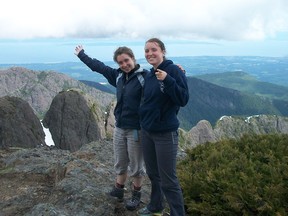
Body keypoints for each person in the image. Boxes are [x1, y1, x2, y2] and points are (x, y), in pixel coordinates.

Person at [74, 45, 147, 211]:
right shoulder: (118, 76)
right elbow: (98, 67)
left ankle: (136, 194)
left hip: (136, 129)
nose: (124, 64)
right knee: (120, 161)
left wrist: (177, 73)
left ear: (133, 59)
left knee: (136, 165)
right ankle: (119, 189)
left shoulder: (145, 77)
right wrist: (81, 55)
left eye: (126, 60)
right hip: (120, 127)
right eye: (120, 62)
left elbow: (160, 86)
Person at [137, 38, 189, 216]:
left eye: (154, 49)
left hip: (165, 133)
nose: (150, 53)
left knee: (168, 180)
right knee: (153, 174)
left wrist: (168, 80)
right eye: (147, 50)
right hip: (147, 131)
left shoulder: (173, 70)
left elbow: (183, 99)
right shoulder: (150, 74)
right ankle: (155, 205)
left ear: (163, 51)